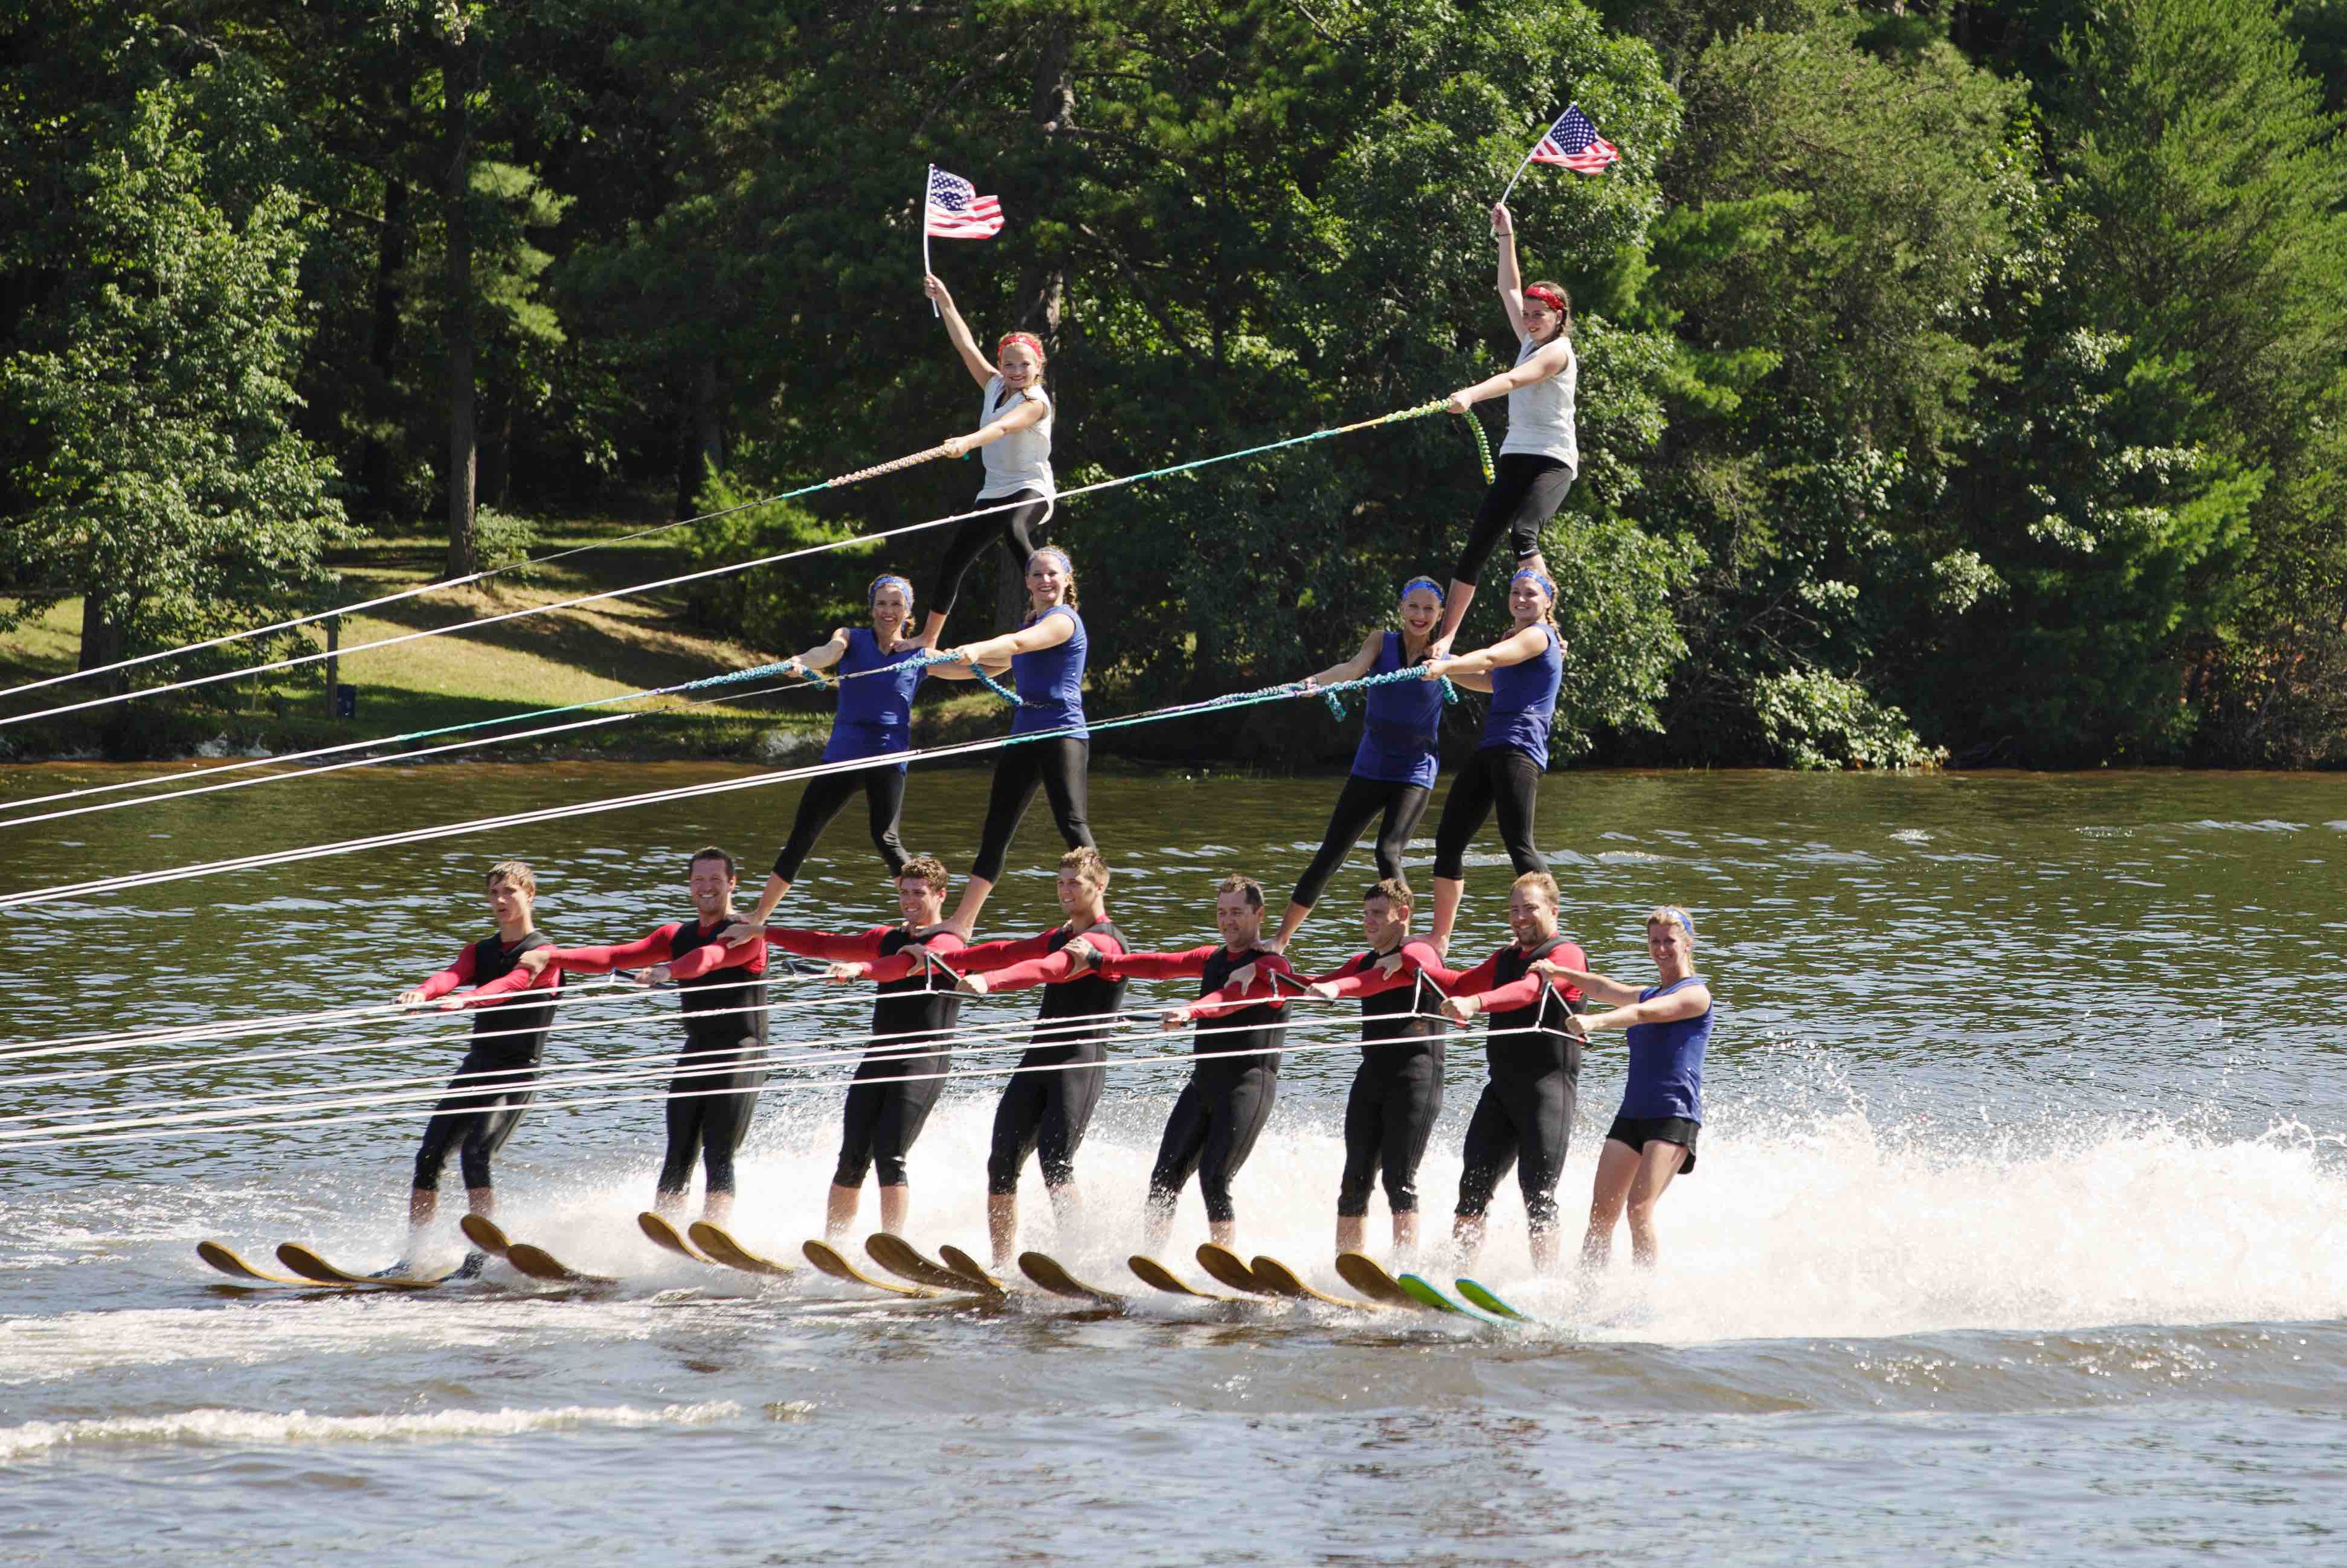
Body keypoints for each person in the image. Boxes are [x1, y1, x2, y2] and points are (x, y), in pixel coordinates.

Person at [517, 847, 768, 1226]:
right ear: (690, 885)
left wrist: (668, 971)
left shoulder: (746, 933)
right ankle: (664, 1231)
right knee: (679, 1150)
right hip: (697, 1050)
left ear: (732, 883)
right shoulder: (677, 935)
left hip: (742, 1052)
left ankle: (715, 1232)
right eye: (699, 880)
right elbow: (615, 956)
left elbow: (709, 959)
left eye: (716, 880)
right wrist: (553, 957)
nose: (707, 887)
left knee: (718, 1151)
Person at [740, 855, 967, 1240]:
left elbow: (901, 966)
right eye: (904, 892)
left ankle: (893, 1245)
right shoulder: (886, 938)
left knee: (890, 1156)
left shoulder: (948, 943)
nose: (909, 900)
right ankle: (834, 1245)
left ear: (941, 895)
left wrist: (860, 969)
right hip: (877, 1059)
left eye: (919, 893)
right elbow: (824, 944)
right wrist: (762, 930)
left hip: (922, 1062)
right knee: (851, 1158)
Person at [939, 846, 1130, 1268]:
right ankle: (1001, 1265)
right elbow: (1008, 951)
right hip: (1036, 1061)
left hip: (1077, 1064)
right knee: (1001, 1163)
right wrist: (942, 958)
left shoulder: (1102, 941)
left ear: (1099, 886)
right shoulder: (1059, 936)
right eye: (1060, 882)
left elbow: (1048, 969)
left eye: (1074, 883)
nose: (1064, 890)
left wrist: (990, 982)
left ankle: (1077, 1261)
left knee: (1055, 1163)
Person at [1104, 875, 1297, 1255]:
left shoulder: (1273, 967)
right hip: (1203, 1085)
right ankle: (1152, 1259)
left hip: (1247, 1086)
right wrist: (1101, 961)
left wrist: (1189, 1010)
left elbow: (1227, 1000)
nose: (1228, 921)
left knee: (1215, 1178)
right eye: (1222, 912)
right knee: (1164, 1178)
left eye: (1237, 912)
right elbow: (1161, 965)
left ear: (1259, 915)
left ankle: (1225, 1262)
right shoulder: (1214, 958)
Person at [390, 860, 562, 1277]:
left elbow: (508, 986)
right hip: (477, 1064)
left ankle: (478, 1259)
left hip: (517, 1071)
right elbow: (452, 975)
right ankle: (412, 1258)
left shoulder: (546, 954)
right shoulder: (480, 951)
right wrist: (423, 992)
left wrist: (469, 999)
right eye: (494, 893)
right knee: (428, 1156)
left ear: (529, 895)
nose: (500, 900)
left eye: (510, 892)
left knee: (476, 1154)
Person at [735, 575, 930, 927]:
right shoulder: (850, 638)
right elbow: (826, 653)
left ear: (907, 610)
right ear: (871, 608)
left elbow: (970, 668)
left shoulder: (919, 652)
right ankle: (759, 918)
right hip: (843, 753)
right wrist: (801, 661)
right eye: (881, 604)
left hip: (888, 755)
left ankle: (928, 921)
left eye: (895, 604)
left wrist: (999, 655)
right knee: (802, 834)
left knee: (885, 838)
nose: (888, 611)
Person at [1266, 577, 1448, 951]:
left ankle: (1404, 945)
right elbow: (1351, 669)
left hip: (1414, 771)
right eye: (1413, 606)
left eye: (1429, 609)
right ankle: (1280, 940)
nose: (1420, 615)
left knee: (1388, 851)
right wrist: (1313, 682)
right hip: (1372, 766)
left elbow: (1489, 674)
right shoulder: (1381, 642)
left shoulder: (1444, 655)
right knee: (1331, 852)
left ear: (1441, 614)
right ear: (1401, 608)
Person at [1432, 201, 1577, 656]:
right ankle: (1445, 639)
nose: (1530, 321)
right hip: (1516, 454)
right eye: (1527, 314)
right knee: (1477, 543)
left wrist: (1471, 394)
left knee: (1523, 533)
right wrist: (1506, 234)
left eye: (1539, 315)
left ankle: (1546, 626)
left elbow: (1516, 380)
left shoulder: (1557, 353)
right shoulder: (1529, 340)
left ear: (1559, 318)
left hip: (1552, 461)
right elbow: (1508, 286)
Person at [1534, 906, 1713, 1271]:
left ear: (1688, 944)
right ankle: (1586, 1291)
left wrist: (1594, 1022)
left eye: (1669, 941)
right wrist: (1559, 972)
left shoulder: (1696, 996)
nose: (1661, 948)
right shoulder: (1648, 993)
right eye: (1655, 941)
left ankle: (1641, 1295)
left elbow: (1643, 1014)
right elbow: (1603, 988)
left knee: (1638, 1209)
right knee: (1602, 1212)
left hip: (1674, 1116)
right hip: (1633, 1114)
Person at [929, 546, 1094, 935]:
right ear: (1027, 582)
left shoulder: (1063, 621)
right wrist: (927, 665)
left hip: (1062, 733)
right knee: (996, 830)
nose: (1045, 580)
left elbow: (1015, 646)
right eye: (1037, 574)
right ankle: (961, 924)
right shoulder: (1028, 626)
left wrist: (973, 648)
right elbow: (987, 667)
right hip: (1024, 735)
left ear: (1067, 579)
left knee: (1072, 825)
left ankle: (1096, 920)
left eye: (1052, 573)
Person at [1435, 870, 1587, 1273]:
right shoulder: (1506, 958)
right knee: (1472, 1188)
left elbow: (1528, 991)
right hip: (1500, 1092)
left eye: (1530, 908)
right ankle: (1459, 1276)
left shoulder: (1566, 956)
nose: (1519, 917)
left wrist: (1476, 1003)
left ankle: (1546, 1285)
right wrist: (1411, 957)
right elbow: (1457, 982)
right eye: (1514, 909)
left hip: (1547, 1092)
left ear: (1553, 910)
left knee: (1538, 1194)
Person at [1299, 879, 1450, 1259]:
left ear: (1403, 915)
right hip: (1372, 1077)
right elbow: (1317, 985)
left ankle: (1405, 1269)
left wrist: (1396, 962)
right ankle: (1348, 1266)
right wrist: (1265, 973)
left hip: (1416, 1077)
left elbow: (1422, 961)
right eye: (1366, 914)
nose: (1369, 921)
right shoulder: (1364, 962)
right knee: (1355, 1178)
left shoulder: (1419, 950)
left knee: (1399, 1179)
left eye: (1379, 914)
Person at [1421, 568, 1565, 954]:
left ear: (1547, 601)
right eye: (1515, 592)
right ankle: (1440, 938)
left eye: (1530, 593)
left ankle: (1552, 935)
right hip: (1492, 747)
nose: (1521, 599)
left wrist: (1447, 665)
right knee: (1449, 839)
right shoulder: (1514, 639)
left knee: (1519, 842)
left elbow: (1490, 658)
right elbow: (1489, 679)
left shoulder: (1538, 636)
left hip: (1521, 749)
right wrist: (1443, 667)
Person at [918, 272, 1054, 646]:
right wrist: (945, 300)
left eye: (1024, 365)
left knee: (1014, 529)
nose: (1016, 372)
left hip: (1031, 489)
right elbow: (965, 346)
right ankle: (928, 639)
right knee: (955, 558)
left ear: (1038, 367)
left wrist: (967, 443)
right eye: (1009, 365)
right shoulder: (994, 386)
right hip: (993, 491)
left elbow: (1004, 428)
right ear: (1001, 365)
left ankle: (1048, 611)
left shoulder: (1036, 402)